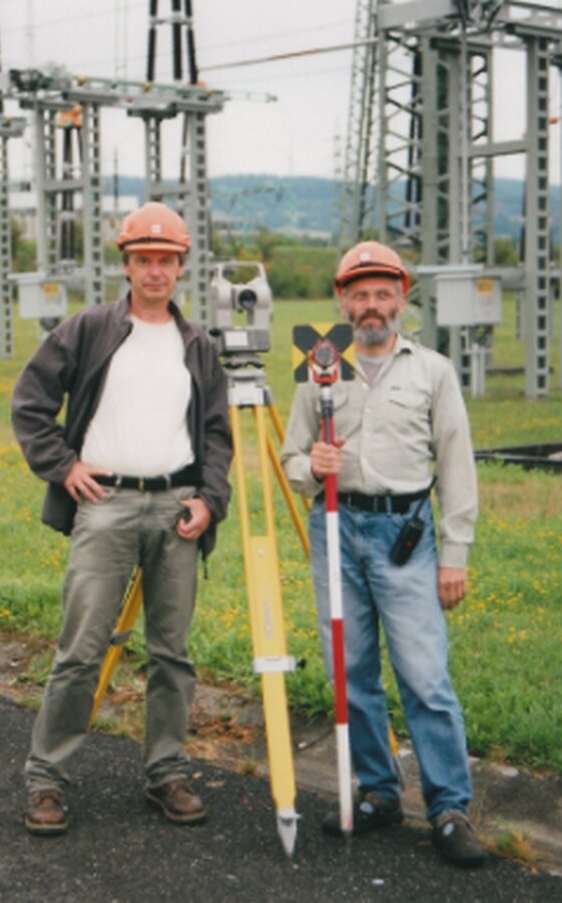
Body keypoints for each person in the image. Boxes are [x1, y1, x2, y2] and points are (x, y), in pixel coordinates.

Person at [12, 201, 232, 836]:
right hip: (104, 505)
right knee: (80, 651)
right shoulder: (88, 330)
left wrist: (209, 499)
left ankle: (167, 773)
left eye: (166, 260)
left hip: (176, 508)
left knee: (172, 653)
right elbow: (30, 402)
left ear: (181, 267)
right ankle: (46, 780)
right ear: (127, 265)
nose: (155, 271)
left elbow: (217, 435)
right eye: (144, 259)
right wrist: (62, 466)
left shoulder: (198, 345)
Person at [281, 241, 485, 868]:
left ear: (401, 299)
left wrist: (455, 553)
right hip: (336, 529)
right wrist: (311, 468)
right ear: (342, 301)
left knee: (423, 675)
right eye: (360, 295)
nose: (372, 306)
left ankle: (449, 807)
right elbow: (291, 459)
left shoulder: (432, 372)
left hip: (406, 535)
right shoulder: (319, 370)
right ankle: (379, 791)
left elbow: (457, 465)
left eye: (383, 294)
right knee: (350, 670)